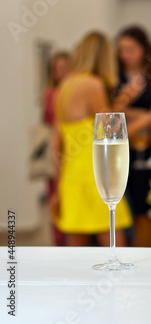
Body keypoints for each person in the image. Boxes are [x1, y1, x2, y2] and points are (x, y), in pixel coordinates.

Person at [52, 31, 132, 246]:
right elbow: (112, 131)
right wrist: (127, 102)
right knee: (114, 245)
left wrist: (58, 185)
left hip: (71, 176)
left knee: (76, 252)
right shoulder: (93, 85)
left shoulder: (63, 87)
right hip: (95, 174)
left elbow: (56, 143)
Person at [114, 26, 151, 247]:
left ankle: (143, 248)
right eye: (121, 50)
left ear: (144, 50)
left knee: (145, 202)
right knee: (120, 200)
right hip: (120, 148)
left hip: (147, 147)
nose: (125, 55)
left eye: (130, 49)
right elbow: (110, 113)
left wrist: (136, 118)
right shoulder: (115, 74)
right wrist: (145, 115)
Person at [43, 51, 70, 246]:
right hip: (58, 148)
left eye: (65, 68)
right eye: (57, 69)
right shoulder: (51, 93)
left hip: (71, 150)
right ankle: (59, 242)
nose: (61, 73)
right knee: (55, 194)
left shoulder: (70, 91)